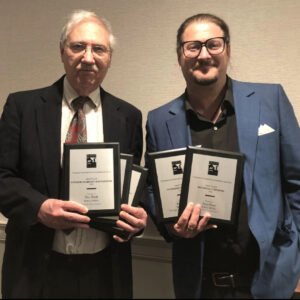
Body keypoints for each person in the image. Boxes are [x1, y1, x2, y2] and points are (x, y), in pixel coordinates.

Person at [145, 13, 300, 299]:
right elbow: (154, 187)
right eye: (192, 46)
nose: (203, 54)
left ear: (227, 50)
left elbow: (297, 181)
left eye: (213, 44)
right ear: (180, 56)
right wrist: (172, 227)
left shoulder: (271, 100)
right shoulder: (158, 120)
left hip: (270, 279)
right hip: (200, 283)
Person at [0, 10, 147, 299]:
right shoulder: (22, 107)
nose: (88, 57)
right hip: (35, 271)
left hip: (105, 273)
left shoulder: (128, 116)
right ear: (62, 51)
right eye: (78, 46)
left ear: (109, 57)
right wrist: (40, 208)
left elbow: (130, 190)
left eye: (99, 49)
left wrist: (137, 218)